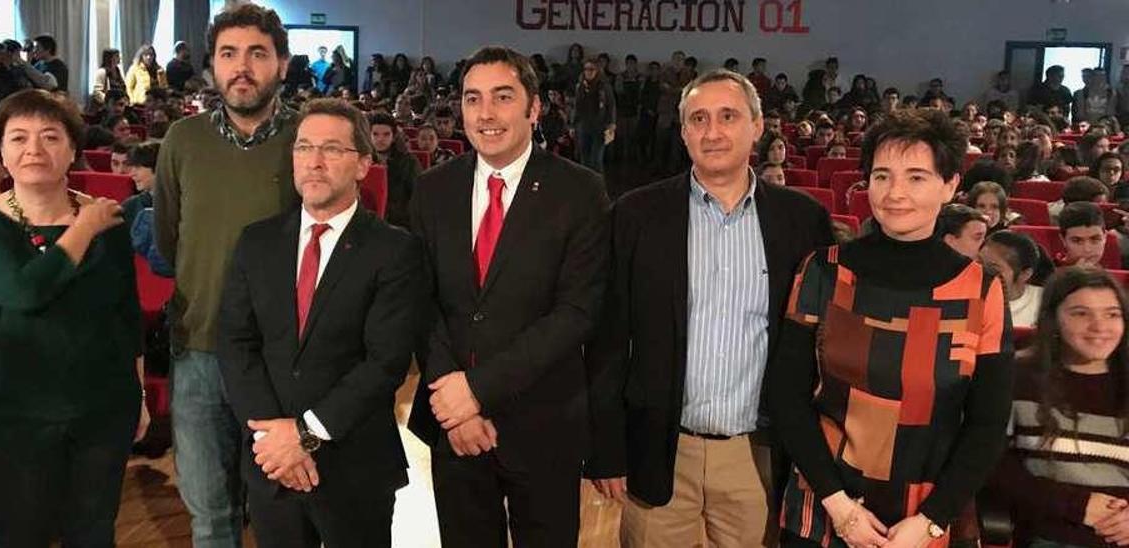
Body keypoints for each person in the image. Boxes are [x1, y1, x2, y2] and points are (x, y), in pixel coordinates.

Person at [586, 68, 833, 548]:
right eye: (698, 119)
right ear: (682, 132)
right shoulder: (635, 215)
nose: (713, 132)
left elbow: (821, 344)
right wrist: (606, 450)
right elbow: (608, 339)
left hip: (756, 453)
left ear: (757, 126)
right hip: (658, 447)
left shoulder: (803, 221)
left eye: (728, 116)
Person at [770, 109, 1014, 547]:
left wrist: (931, 520)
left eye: (916, 177)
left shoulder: (981, 290)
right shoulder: (824, 271)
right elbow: (788, 396)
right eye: (882, 176)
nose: (895, 193)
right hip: (823, 506)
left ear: (951, 185)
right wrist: (839, 505)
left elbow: (988, 423)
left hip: (926, 516)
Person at [407, 45, 610, 548]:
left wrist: (477, 390)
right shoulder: (432, 189)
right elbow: (418, 302)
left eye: (502, 97)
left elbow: (576, 312)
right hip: (453, 423)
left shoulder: (580, 191)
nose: (486, 114)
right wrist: (453, 401)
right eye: (473, 99)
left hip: (542, 422)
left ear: (534, 108)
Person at [216, 97, 421, 548]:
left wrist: (304, 435)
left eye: (331, 149)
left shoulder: (394, 249)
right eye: (304, 147)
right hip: (271, 461)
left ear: (364, 164)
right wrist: (274, 435)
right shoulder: (258, 241)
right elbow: (234, 343)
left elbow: (386, 361)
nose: (314, 161)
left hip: (353, 460)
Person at [0, 89, 147, 546]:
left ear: (73, 148)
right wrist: (84, 227)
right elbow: (23, 291)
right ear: (1, 151)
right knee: (19, 535)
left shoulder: (106, 220)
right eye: (18, 138)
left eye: (50, 136)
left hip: (100, 407)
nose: (34, 150)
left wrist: (136, 390)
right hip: (10, 412)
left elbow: (126, 312)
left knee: (93, 533)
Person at [154, 5, 300, 545]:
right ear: (212, 67)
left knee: (280, 510)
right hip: (199, 348)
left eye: (257, 54)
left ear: (282, 65)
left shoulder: (308, 141)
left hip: (284, 355)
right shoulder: (183, 140)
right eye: (229, 55)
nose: (242, 67)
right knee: (210, 514)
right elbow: (171, 238)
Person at [988, 266, 1129, 547]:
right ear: (1053, 319)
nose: (1099, 326)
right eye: (1080, 313)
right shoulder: (1015, 377)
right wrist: (1076, 506)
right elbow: (991, 465)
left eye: (1112, 314)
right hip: (1051, 531)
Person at [120, 141, 170, 277]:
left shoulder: (181, 206)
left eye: (138, 167)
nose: (132, 174)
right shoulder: (130, 206)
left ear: (158, 169)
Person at [978, 230, 1046, 327]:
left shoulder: (1045, 301)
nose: (980, 272)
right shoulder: (963, 299)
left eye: (993, 268)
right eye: (978, 263)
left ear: (1025, 274)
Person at [367, 112, 418, 228]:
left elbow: (416, 196)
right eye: (375, 134)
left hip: (401, 222)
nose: (380, 139)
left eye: (386, 134)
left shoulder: (409, 162)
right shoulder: (361, 161)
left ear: (394, 136)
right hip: (368, 220)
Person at [571, 58, 617, 173]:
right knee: (584, 158)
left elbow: (611, 105)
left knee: (596, 159)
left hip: (599, 126)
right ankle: (586, 185)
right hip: (584, 126)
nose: (588, 72)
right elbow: (577, 106)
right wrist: (572, 125)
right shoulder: (581, 86)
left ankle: (598, 185)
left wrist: (611, 123)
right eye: (586, 69)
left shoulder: (604, 87)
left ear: (597, 71)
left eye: (591, 69)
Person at [1056, 201, 1109, 267]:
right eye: (1077, 241)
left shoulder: (1112, 275)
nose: (1087, 249)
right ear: (1063, 240)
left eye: (1095, 239)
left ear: (1105, 237)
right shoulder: (1048, 274)